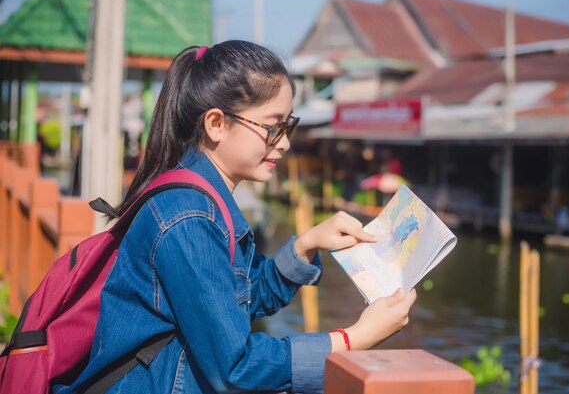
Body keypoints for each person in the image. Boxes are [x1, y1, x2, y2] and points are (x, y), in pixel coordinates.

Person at [55, 41, 416, 394]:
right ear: (216, 124)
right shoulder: (189, 216)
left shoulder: (202, 198)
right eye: (272, 126)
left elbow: (233, 303)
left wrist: (305, 246)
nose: (285, 142)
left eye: (288, 126)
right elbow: (235, 367)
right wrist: (354, 338)